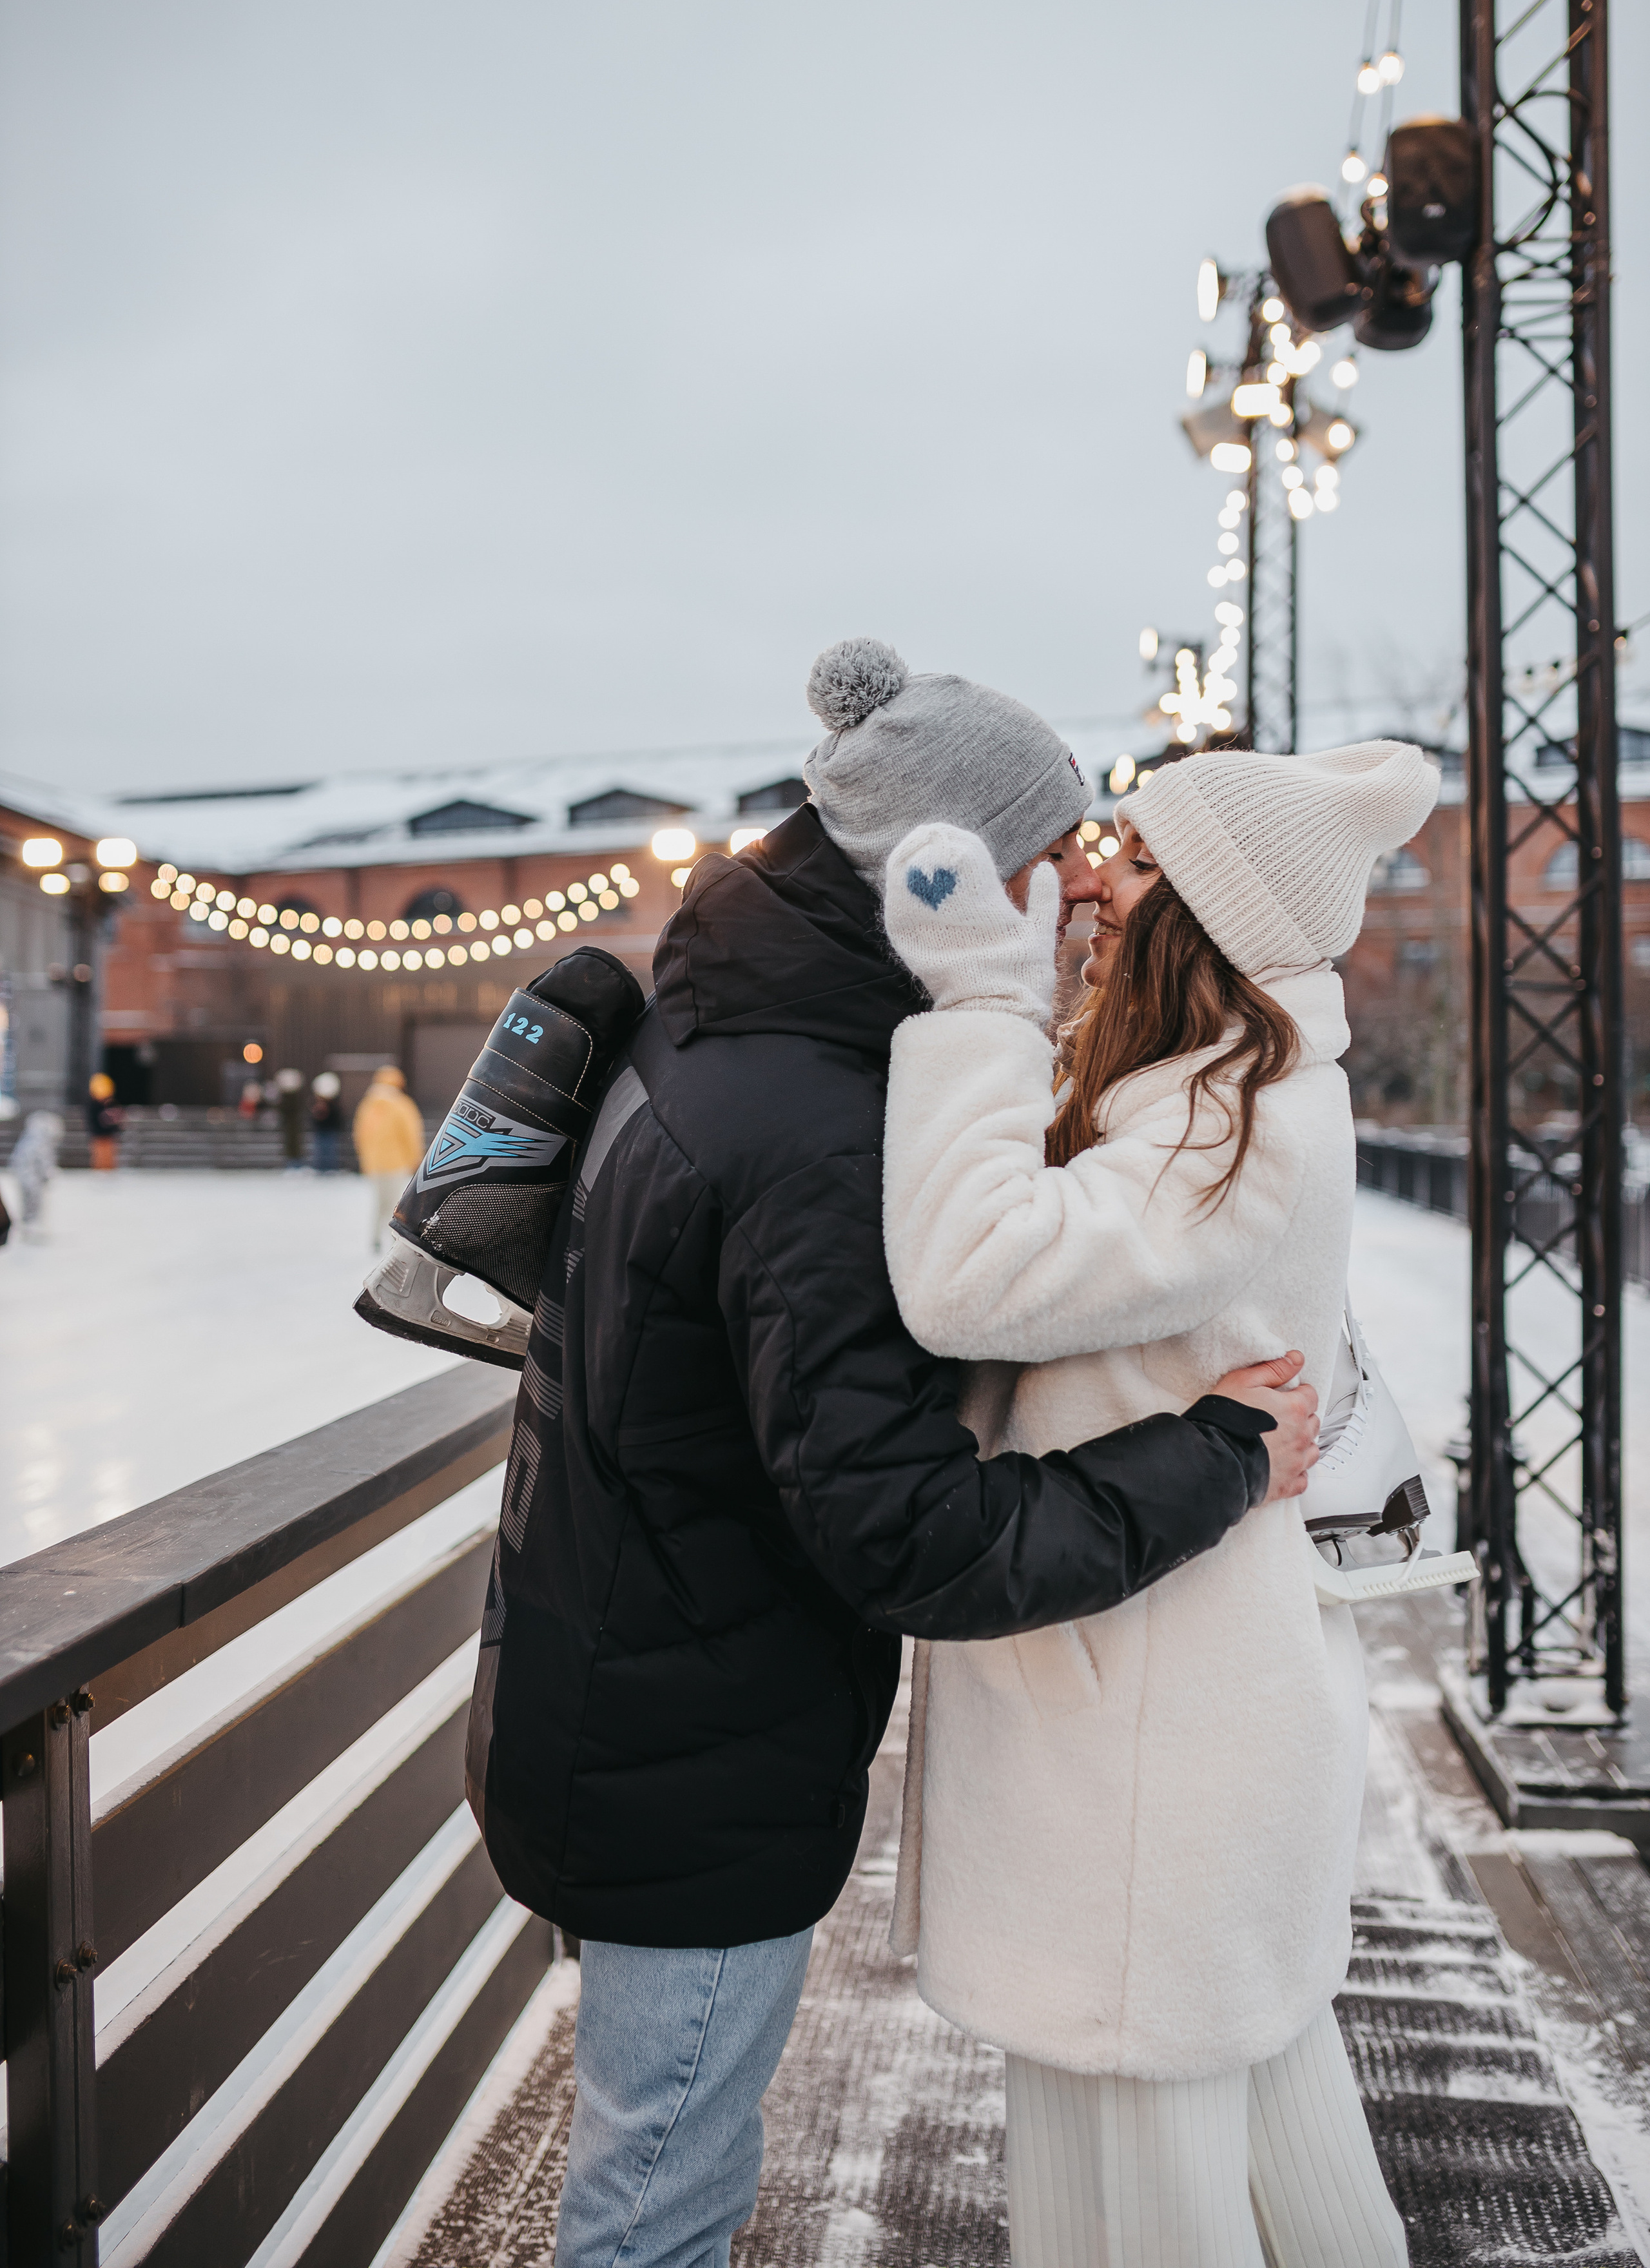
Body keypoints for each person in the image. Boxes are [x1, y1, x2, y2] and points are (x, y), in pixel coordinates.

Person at [463, 639, 1321, 2268]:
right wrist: (1215, 1452)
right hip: (689, 1759)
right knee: (654, 2207)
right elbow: (908, 1534)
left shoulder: (730, 1028)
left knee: (654, 2165)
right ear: (949, 878)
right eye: (1052, 856)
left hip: (623, 1696)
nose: (1083, 890)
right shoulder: (820, 1129)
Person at [875, 737, 1441, 2268]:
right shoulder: (1212, 1094)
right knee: (1256, 2134)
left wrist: (978, 1002)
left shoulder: (1217, 1124)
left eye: (1132, 860)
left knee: (1133, 2189)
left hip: (1146, 1733)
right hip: (1174, 1704)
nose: (1094, 883)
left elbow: (967, 1272)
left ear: (1207, 909)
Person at [352, 1064, 426, 1249]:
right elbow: (411, 1134)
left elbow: (360, 1134)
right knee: (396, 1203)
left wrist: (365, 1158)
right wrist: (416, 1158)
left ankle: (376, 1237)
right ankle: (395, 1239)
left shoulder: (368, 1105)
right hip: (396, 1162)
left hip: (374, 1163)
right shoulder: (402, 1105)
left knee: (380, 1202)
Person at [11, 1110, 63, 1240]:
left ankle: (29, 1225)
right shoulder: (39, 1143)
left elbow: (16, 1159)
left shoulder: (28, 1140)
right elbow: (43, 1161)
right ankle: (31, 1225)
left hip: (27, 1178)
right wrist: (47, 1173)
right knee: (33, 1203)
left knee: (29, 1203)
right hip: (32, 1179)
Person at [86, 1071, 123, 1170]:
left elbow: (117, 1117)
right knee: (100, 1157)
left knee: (108, 1157)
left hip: (108, 1134)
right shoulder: (94, 1105)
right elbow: (93, 1119)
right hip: (98, 1134)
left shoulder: (110, 1104)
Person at [309, 1071, 343, 1172]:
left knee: (329, 1150)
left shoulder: (333, 1104)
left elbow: (336, 1116)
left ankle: (329, 1168)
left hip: (329, 1129)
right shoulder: (318, 1103)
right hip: (322, 1129)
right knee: (322, 1149)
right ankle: (321, 1168)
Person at [274, 1067, 307, 1170]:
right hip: (290, 1126)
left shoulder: (291, 1099)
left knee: (293, 1144)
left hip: (292, 1126)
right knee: (291, 1144)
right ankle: (293, 1164)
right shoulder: (290, 1099)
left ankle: (295, 1164)